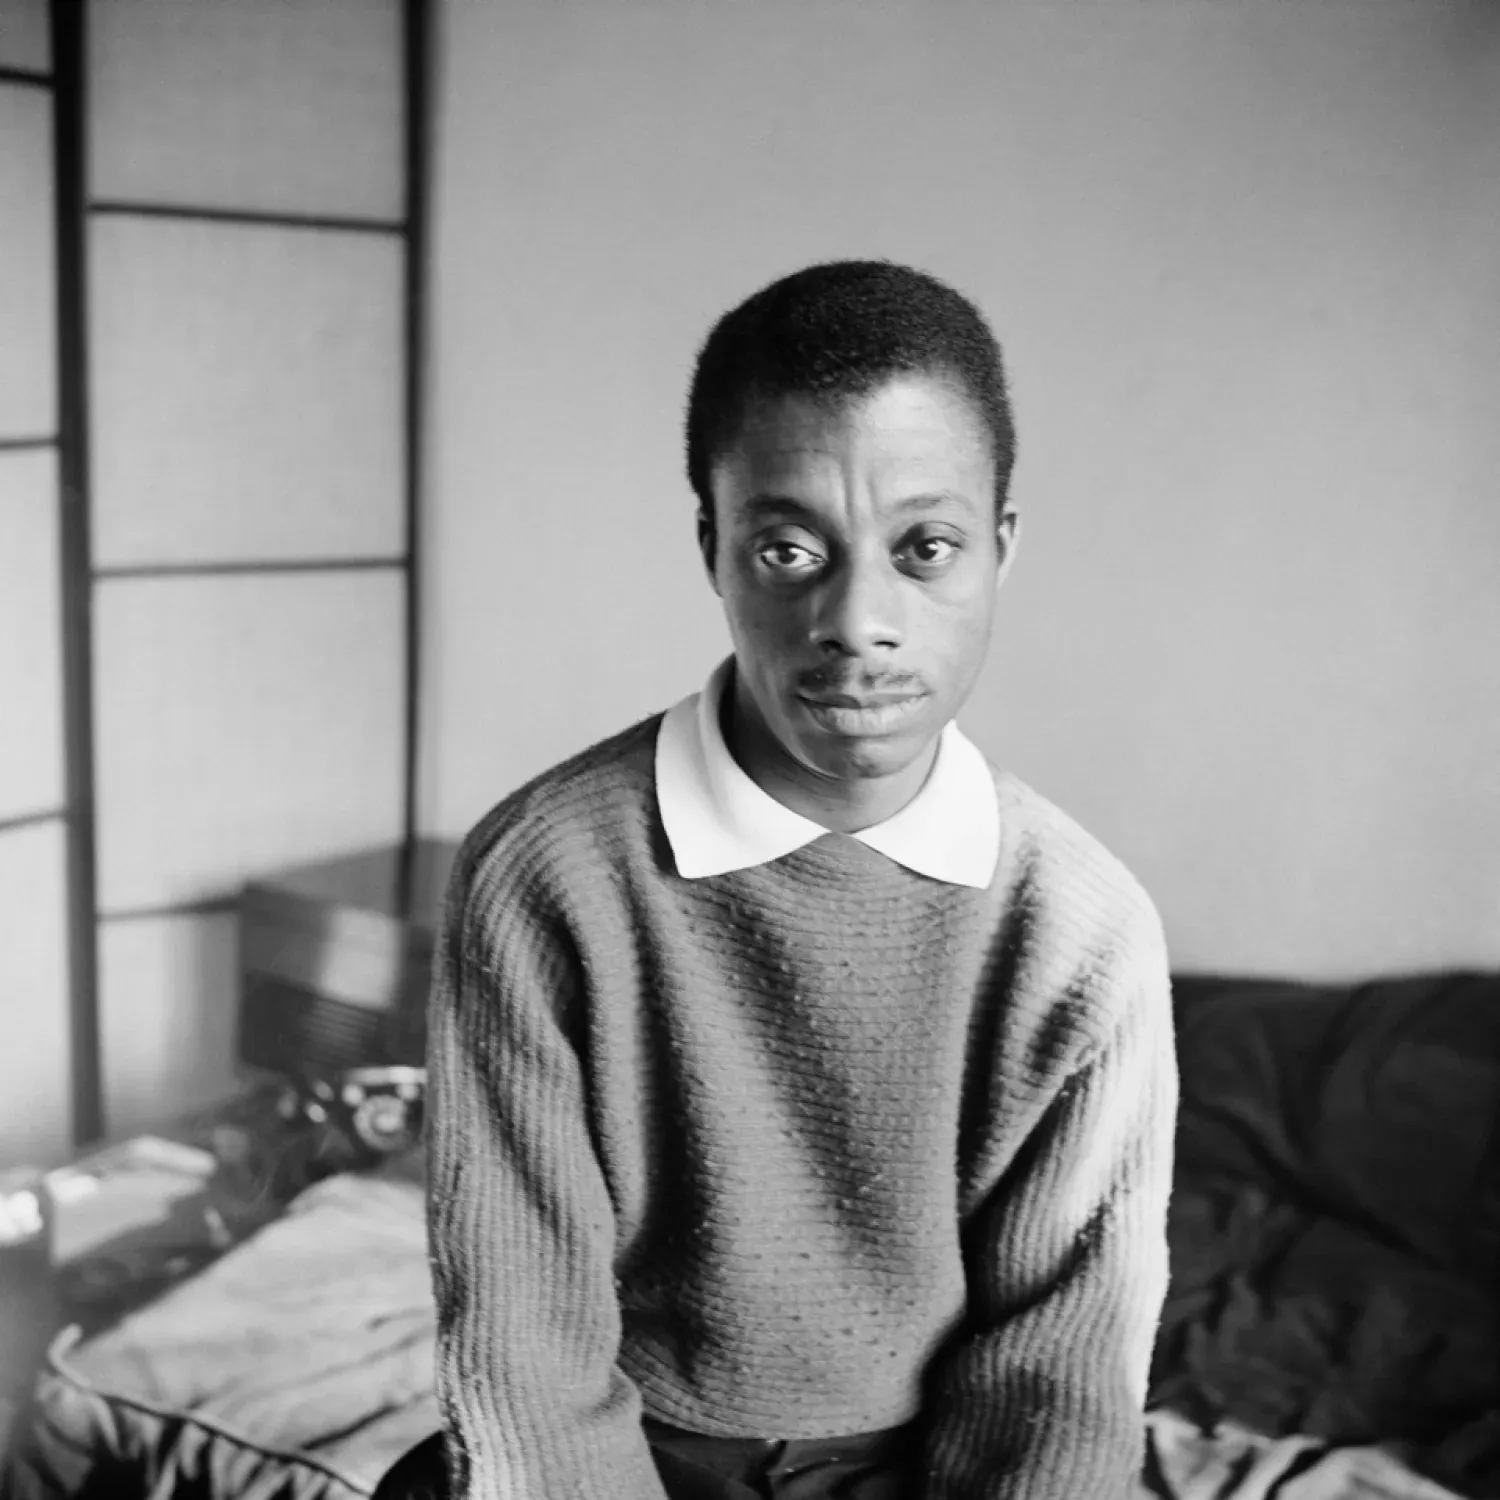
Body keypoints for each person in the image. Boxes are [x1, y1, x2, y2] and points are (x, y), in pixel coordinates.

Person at [391, 260, 1177, 1500]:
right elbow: (525, 1350)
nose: (859, 617)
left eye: (926, 548)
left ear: (1000, 550)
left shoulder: (1080, 931)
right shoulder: (545, 876)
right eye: (790, 549)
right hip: (627, 1444)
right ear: (715, 548)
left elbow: (1056, 1386)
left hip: (923, 1465)